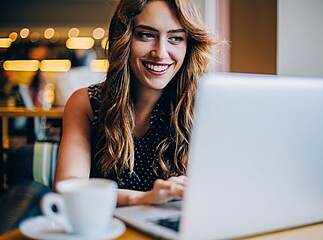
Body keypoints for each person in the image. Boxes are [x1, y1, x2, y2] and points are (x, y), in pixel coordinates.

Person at [54, 0, 213, 206]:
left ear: (188, 45)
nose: (160, 52)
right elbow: (67, 189)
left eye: (175, 38)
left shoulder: (203, 107)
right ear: (124, 38)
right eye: (146, 35)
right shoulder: (86, 103)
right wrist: (144, 198)